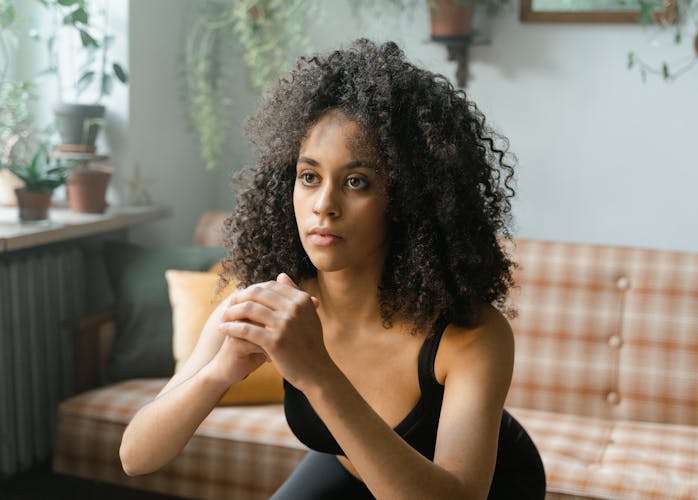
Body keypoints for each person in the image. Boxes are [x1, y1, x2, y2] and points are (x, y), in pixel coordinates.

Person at [119, 38, 545, 499]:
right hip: (351, 470)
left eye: (357, 182)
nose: (324, 205)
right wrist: (219, 372)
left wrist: (316, 372)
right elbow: (136, 457)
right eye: (309, 177)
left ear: (404, 201)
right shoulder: (266, 297)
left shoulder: (470, 335)